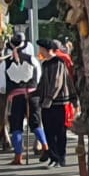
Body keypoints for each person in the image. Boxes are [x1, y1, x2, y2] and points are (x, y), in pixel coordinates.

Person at [0, 34, 40, 166]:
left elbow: (2, 86)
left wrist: (5, 91)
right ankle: (44, 147)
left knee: (16, 126)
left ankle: (18, 156)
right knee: (36, 123)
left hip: (15, 96)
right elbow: (38, 77)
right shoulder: (32, 58)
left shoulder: (6, 62)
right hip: (32, 93)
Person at [35, 40, 75, 169]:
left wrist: (49, 99)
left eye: (41, 49)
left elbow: (56, 83)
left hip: (58, 102)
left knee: (60, 131)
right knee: (49, 131)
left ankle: (60, 157)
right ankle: (53, 157)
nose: (40, 51)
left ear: (48, 50)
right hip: (47, 103)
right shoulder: (45, 64)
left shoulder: (58, 62)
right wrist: (34, 93)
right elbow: (43, 82)